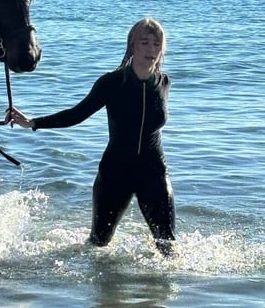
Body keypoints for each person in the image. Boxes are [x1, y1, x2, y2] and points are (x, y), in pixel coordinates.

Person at [9, 18, 176, 256]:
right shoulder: (112, 82)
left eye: (156, 44)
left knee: (168, 247)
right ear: (132, 45)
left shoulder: (163, 83)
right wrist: (34, 123)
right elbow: (77, 114)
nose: (151, 49)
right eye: (144, 42)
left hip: (154, 172)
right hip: (115, 174)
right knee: (98, 245)